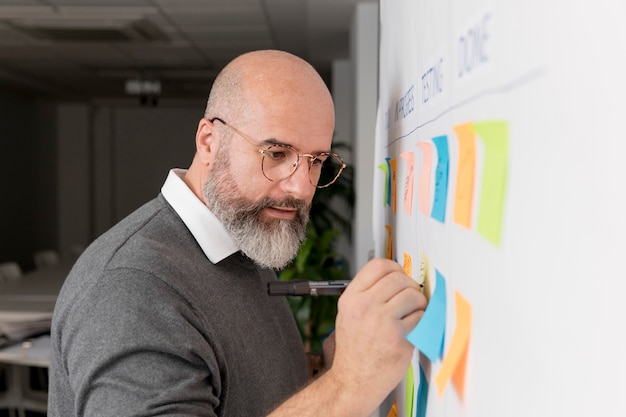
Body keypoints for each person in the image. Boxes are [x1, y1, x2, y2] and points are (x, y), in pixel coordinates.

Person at [48, 49, 427, 417]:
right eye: (276, 154)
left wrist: (326, 370)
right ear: (208, 142)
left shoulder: (243, 237)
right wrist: (347, 385)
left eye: (316, 161)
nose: (300, 187)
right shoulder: (131, 291)